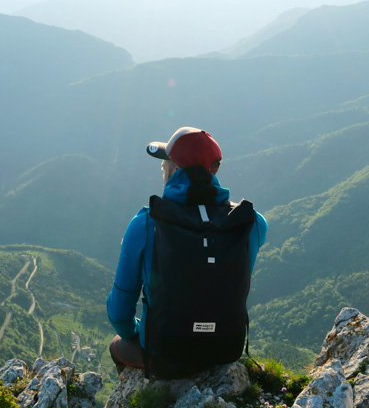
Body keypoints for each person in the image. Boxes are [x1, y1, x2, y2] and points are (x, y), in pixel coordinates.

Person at [106, 126, 268, 378]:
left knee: (117, 346)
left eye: (164, 165)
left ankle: (142, 405)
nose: (162, 171)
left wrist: (136, 332)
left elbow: (119, 311)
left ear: (175, 169)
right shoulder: (252, 223)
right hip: (227, 349)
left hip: (165, 353)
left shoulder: (146, 224)